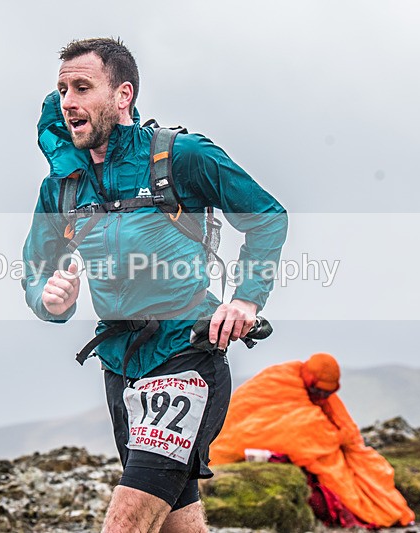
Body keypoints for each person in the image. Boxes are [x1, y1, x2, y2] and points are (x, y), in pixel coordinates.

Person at [22, 38, 287, 532]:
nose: (68, 102)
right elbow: (36, 267)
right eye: (61, 90)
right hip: (120, 368)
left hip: (186, 352)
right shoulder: (62, 186)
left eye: (82, 87)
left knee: (126, 521)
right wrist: (50, 299)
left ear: (122, 95)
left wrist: (247, 298)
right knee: (173, 521)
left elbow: (267, 217)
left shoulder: (179, 155)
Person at [209, 353, 415, 527]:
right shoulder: (278, 380)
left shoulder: (315, 389)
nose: (322, 396)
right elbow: (299, 428)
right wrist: (335, 437)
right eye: (319, 391)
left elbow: (342, 426)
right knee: (326, 455)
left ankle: (381, 507)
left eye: (327, 393)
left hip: (281, 437)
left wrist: (342, 438)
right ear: (310, 378)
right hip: (233, 438)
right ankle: (363, 507)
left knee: (362, 464)